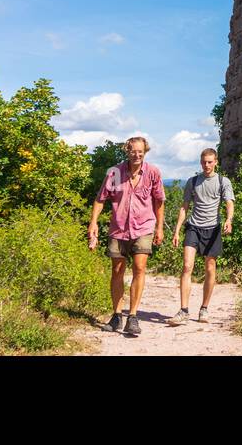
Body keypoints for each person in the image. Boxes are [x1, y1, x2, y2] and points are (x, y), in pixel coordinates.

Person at [88, 136, 165, 337]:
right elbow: (100, 199)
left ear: (145, 152)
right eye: (133, 151)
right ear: (127, 151)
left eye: (140, 151)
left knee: (139, 268)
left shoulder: (153, 173)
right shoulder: (114, 173)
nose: (136, 155)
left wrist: (159, 228)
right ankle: (116, 316)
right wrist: (93, 223)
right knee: (117, 271)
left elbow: (159, 201)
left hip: (143, 227)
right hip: (119, 228)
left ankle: (133, 316)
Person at [168, 148, 234, 325]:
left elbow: (229, 202)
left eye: (210, 162)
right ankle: (183, 311)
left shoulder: (223, 181)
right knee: (187, 266)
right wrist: (176, 230)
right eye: (204, 162)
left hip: (212, 228)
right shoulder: (193, 181)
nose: (207, 165)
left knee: (210, 267)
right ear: (200, 162)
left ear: (216, 162)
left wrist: (229, 219)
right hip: (193, 227)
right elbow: (184, 207)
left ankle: (204, 309)